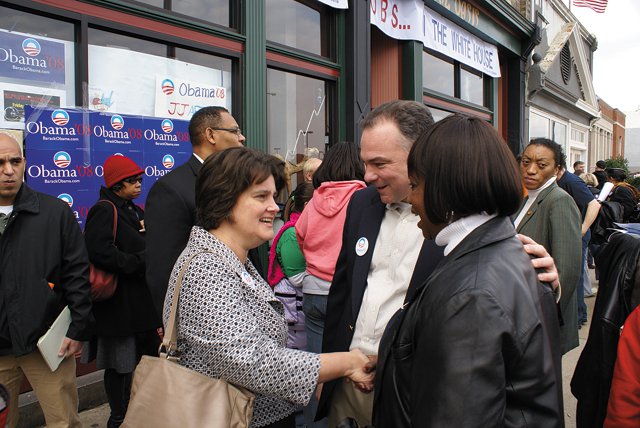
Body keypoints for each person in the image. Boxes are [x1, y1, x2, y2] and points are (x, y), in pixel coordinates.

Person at [319, 100, 561, 426]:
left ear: (424, 157)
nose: (367, 176)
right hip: (351, 381)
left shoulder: (468, 236)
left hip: (420, 388)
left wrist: (545, 287)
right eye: (365, 163)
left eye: (380, 163)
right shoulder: (361, 203)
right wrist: (329, 373)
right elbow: (343, 291)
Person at [163, 147, 374, 428]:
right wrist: (345, 363)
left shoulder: (235, 260)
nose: (274, 207)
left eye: (273, 196)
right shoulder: (207, 268)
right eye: (261, 196)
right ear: (224, 200)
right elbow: (251, 361)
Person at [0, 133, 92, 427]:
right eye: (0, 163)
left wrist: (78, 327)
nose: (8, 170)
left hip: (47, 344)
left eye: (15, 161)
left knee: (63, 421)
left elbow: (77, 273)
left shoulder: (54, 213)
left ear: (25, 163)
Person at [145, 106, 249, 317]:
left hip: (244, 310)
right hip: (202, 319)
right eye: (235, 131)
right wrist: (174, 324)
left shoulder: (237, 183)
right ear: (210, 134)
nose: (242, 138)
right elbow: (163, 269)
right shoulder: (171, 188)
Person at [84, 155, 161, 428]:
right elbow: (98, 251)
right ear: (117, 184)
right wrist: (137, 263)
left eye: (140, 180)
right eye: (132, 181)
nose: (139, 185)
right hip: (118, 307)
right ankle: (118, 418)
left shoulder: (134, 210)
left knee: (148, 361)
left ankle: (142, 412)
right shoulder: (105, 210)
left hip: (140, 305)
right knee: (120, 365)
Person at [515, 138, 582, 354]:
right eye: (526, 162)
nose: (531, 170)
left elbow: (567, 273)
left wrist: (547, 319)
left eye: (541, 165)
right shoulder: (525, 200)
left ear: (558, 170)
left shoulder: (559, 201)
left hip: (543, 321)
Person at [267, 182, 315, 350]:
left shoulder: (303, 229)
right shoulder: (292, 234)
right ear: (308, 205)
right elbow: (296, 278)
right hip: (294, 314)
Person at [556, 165, 601, 327]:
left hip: (576, 235)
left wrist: (582, 230)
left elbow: (594, 205)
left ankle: (578, 316)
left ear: (557, 167)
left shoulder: (571, 181)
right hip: (571, 233)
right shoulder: (563, 181)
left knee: (575, 276)